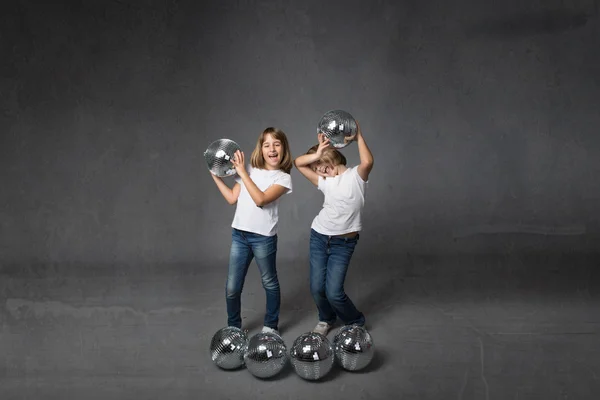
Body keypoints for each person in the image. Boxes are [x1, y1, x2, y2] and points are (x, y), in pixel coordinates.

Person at [293, 122, 374, 336]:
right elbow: (298, 164)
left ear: (332, 155)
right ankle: (326, 318)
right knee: (317, 289)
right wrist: (316, 153)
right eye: (315, 166)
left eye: (320, 163)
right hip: (319, 237)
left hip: (343, 244)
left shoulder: (356, 176)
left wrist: (358, 137)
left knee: (334, 292)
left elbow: (368, 161)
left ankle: (355, 320)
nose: (318, 169)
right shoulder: (324, 182)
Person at [210, 127, 293, 334]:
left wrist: (243, 173)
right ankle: (234, 328)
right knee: (232, 288)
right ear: (261, 149)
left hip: (263, 238)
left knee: (269, 283)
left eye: (277, 144)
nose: (272, 149)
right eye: (267, 145)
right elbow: (231, 198)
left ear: (283, 149)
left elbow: (261, 200)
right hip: (240, 235)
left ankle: (271, 326)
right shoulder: (248, 170)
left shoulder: (282, 178)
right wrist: (215, 175)